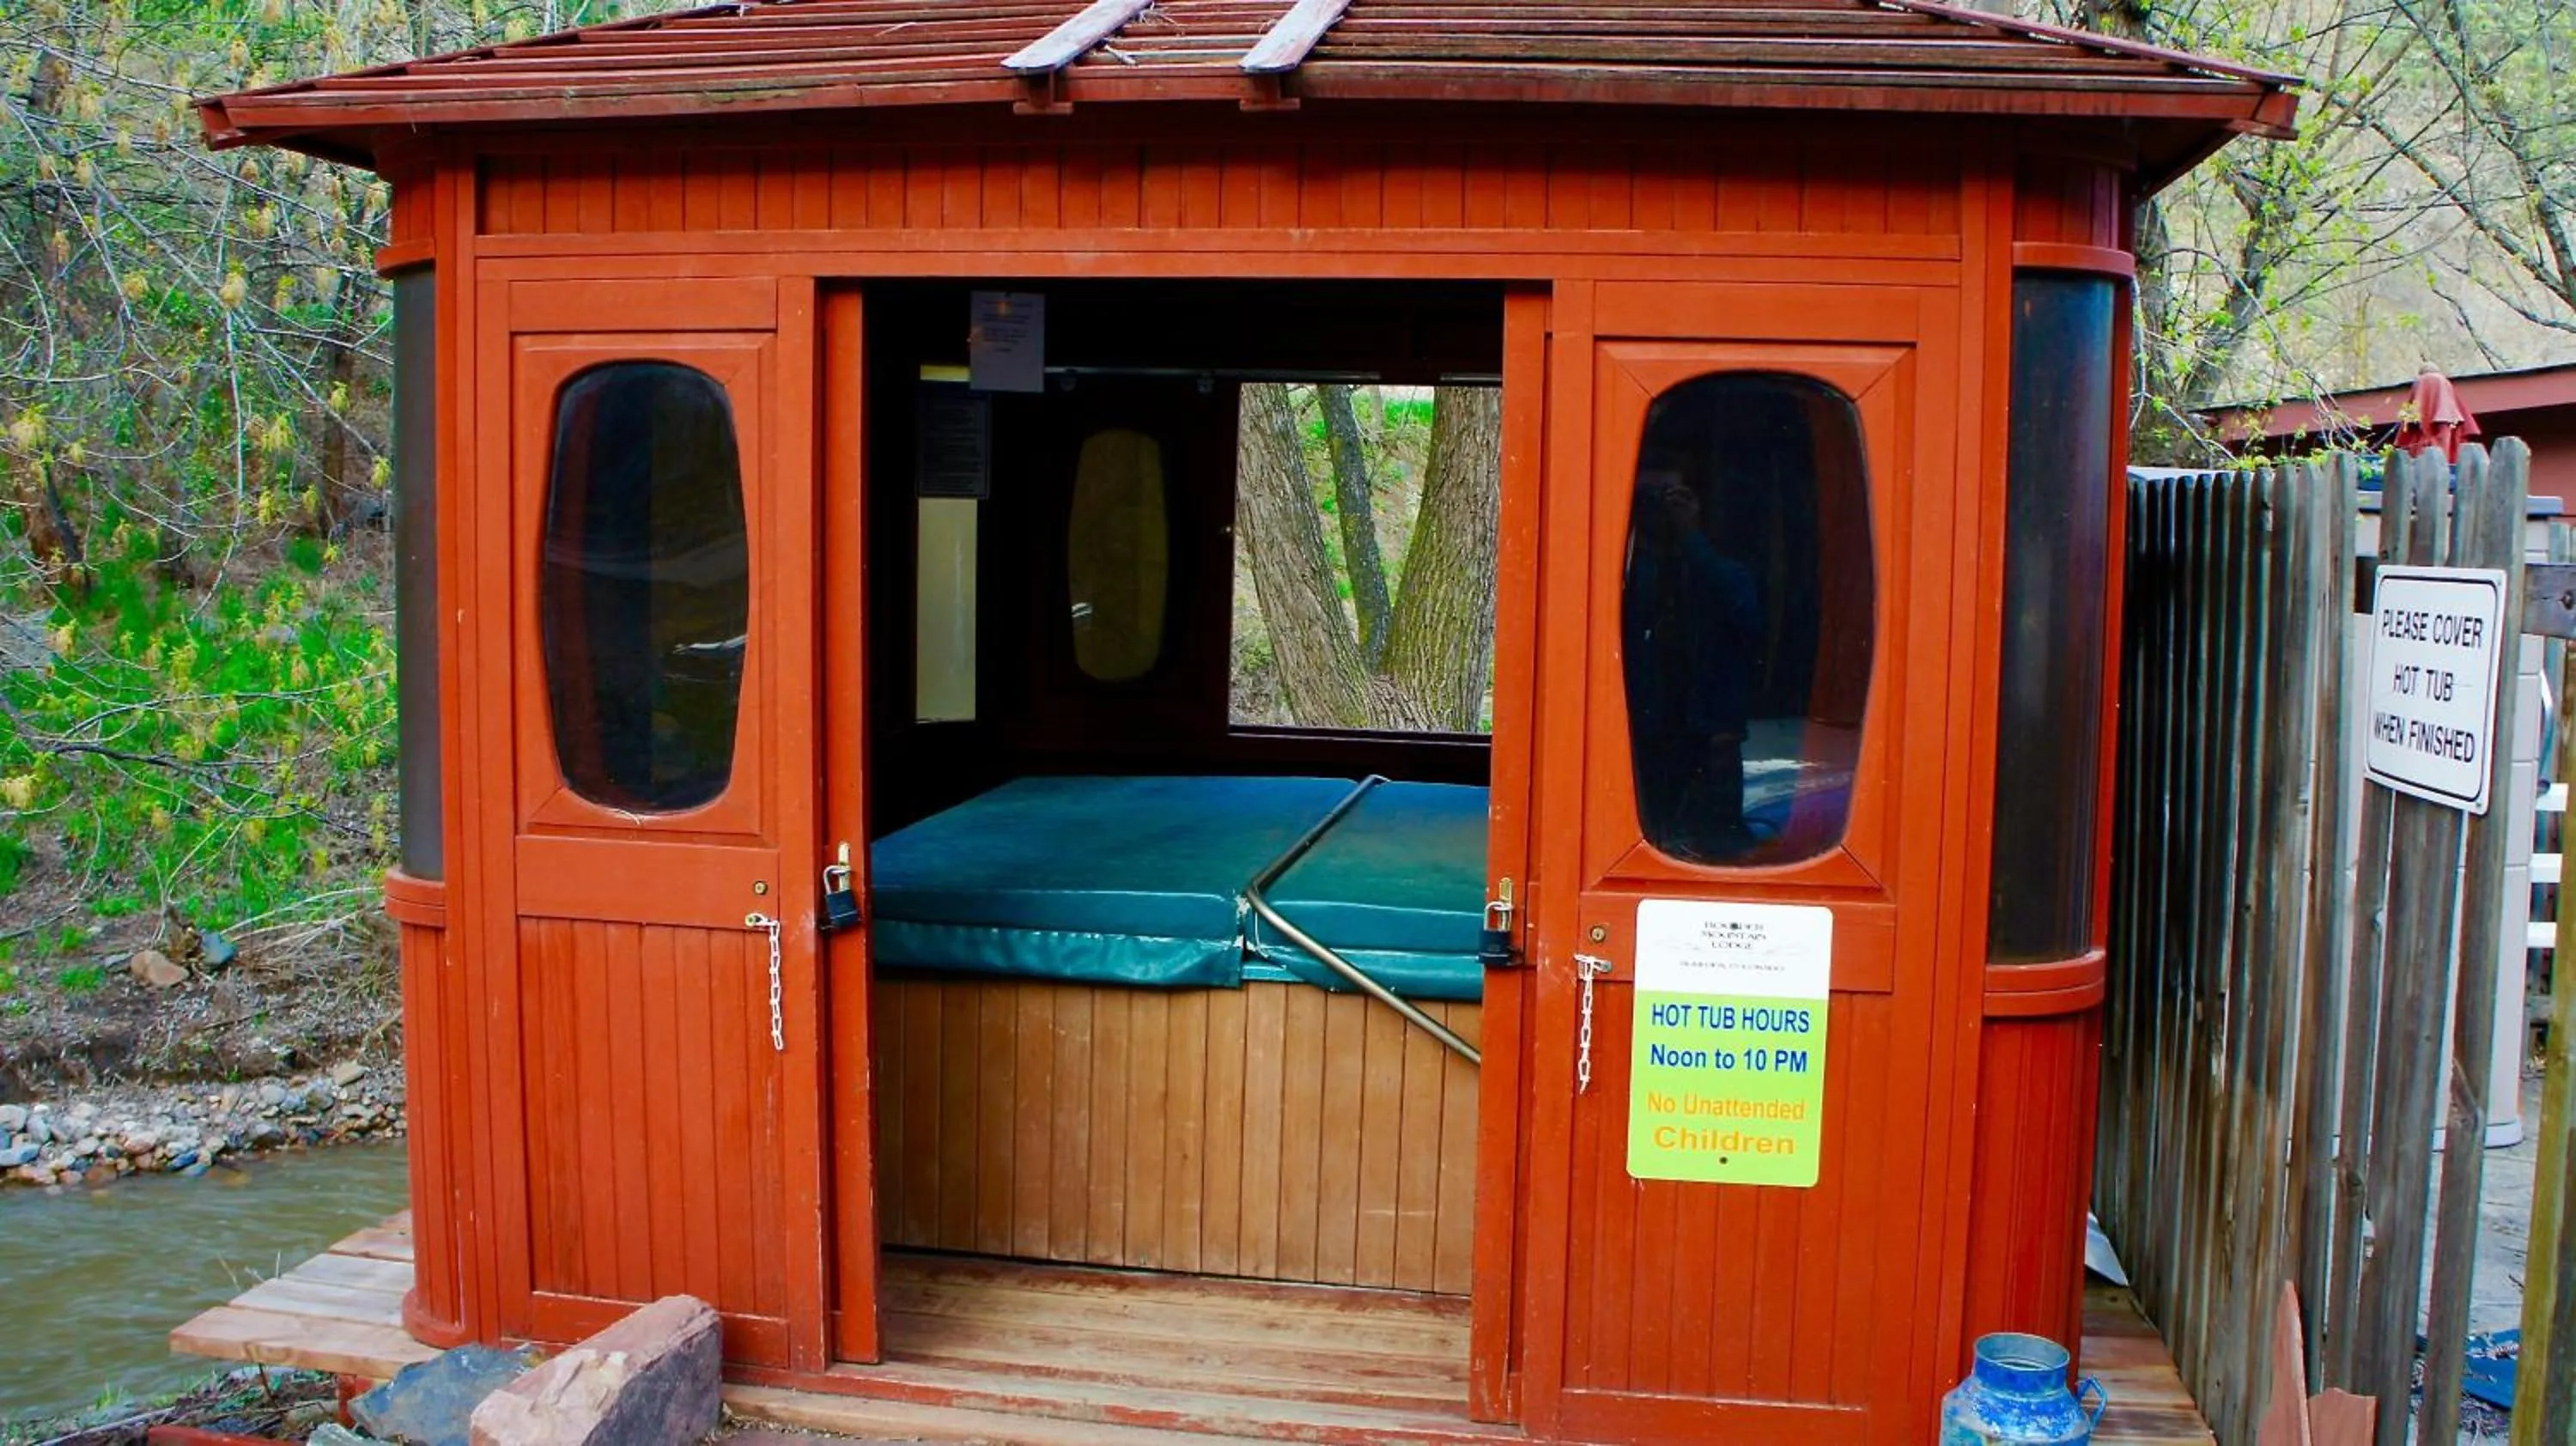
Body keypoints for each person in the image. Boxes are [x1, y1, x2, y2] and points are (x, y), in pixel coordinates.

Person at [1624, 465, 1764, 862]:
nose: (1660, 506)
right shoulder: (1628, 566)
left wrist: (1691, 536)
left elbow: (1748, 616)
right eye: (1650, 497)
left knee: (1722, 845)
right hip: (1647, 723)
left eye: (1672, 496)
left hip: (1709, 725)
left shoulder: (1718, 565)